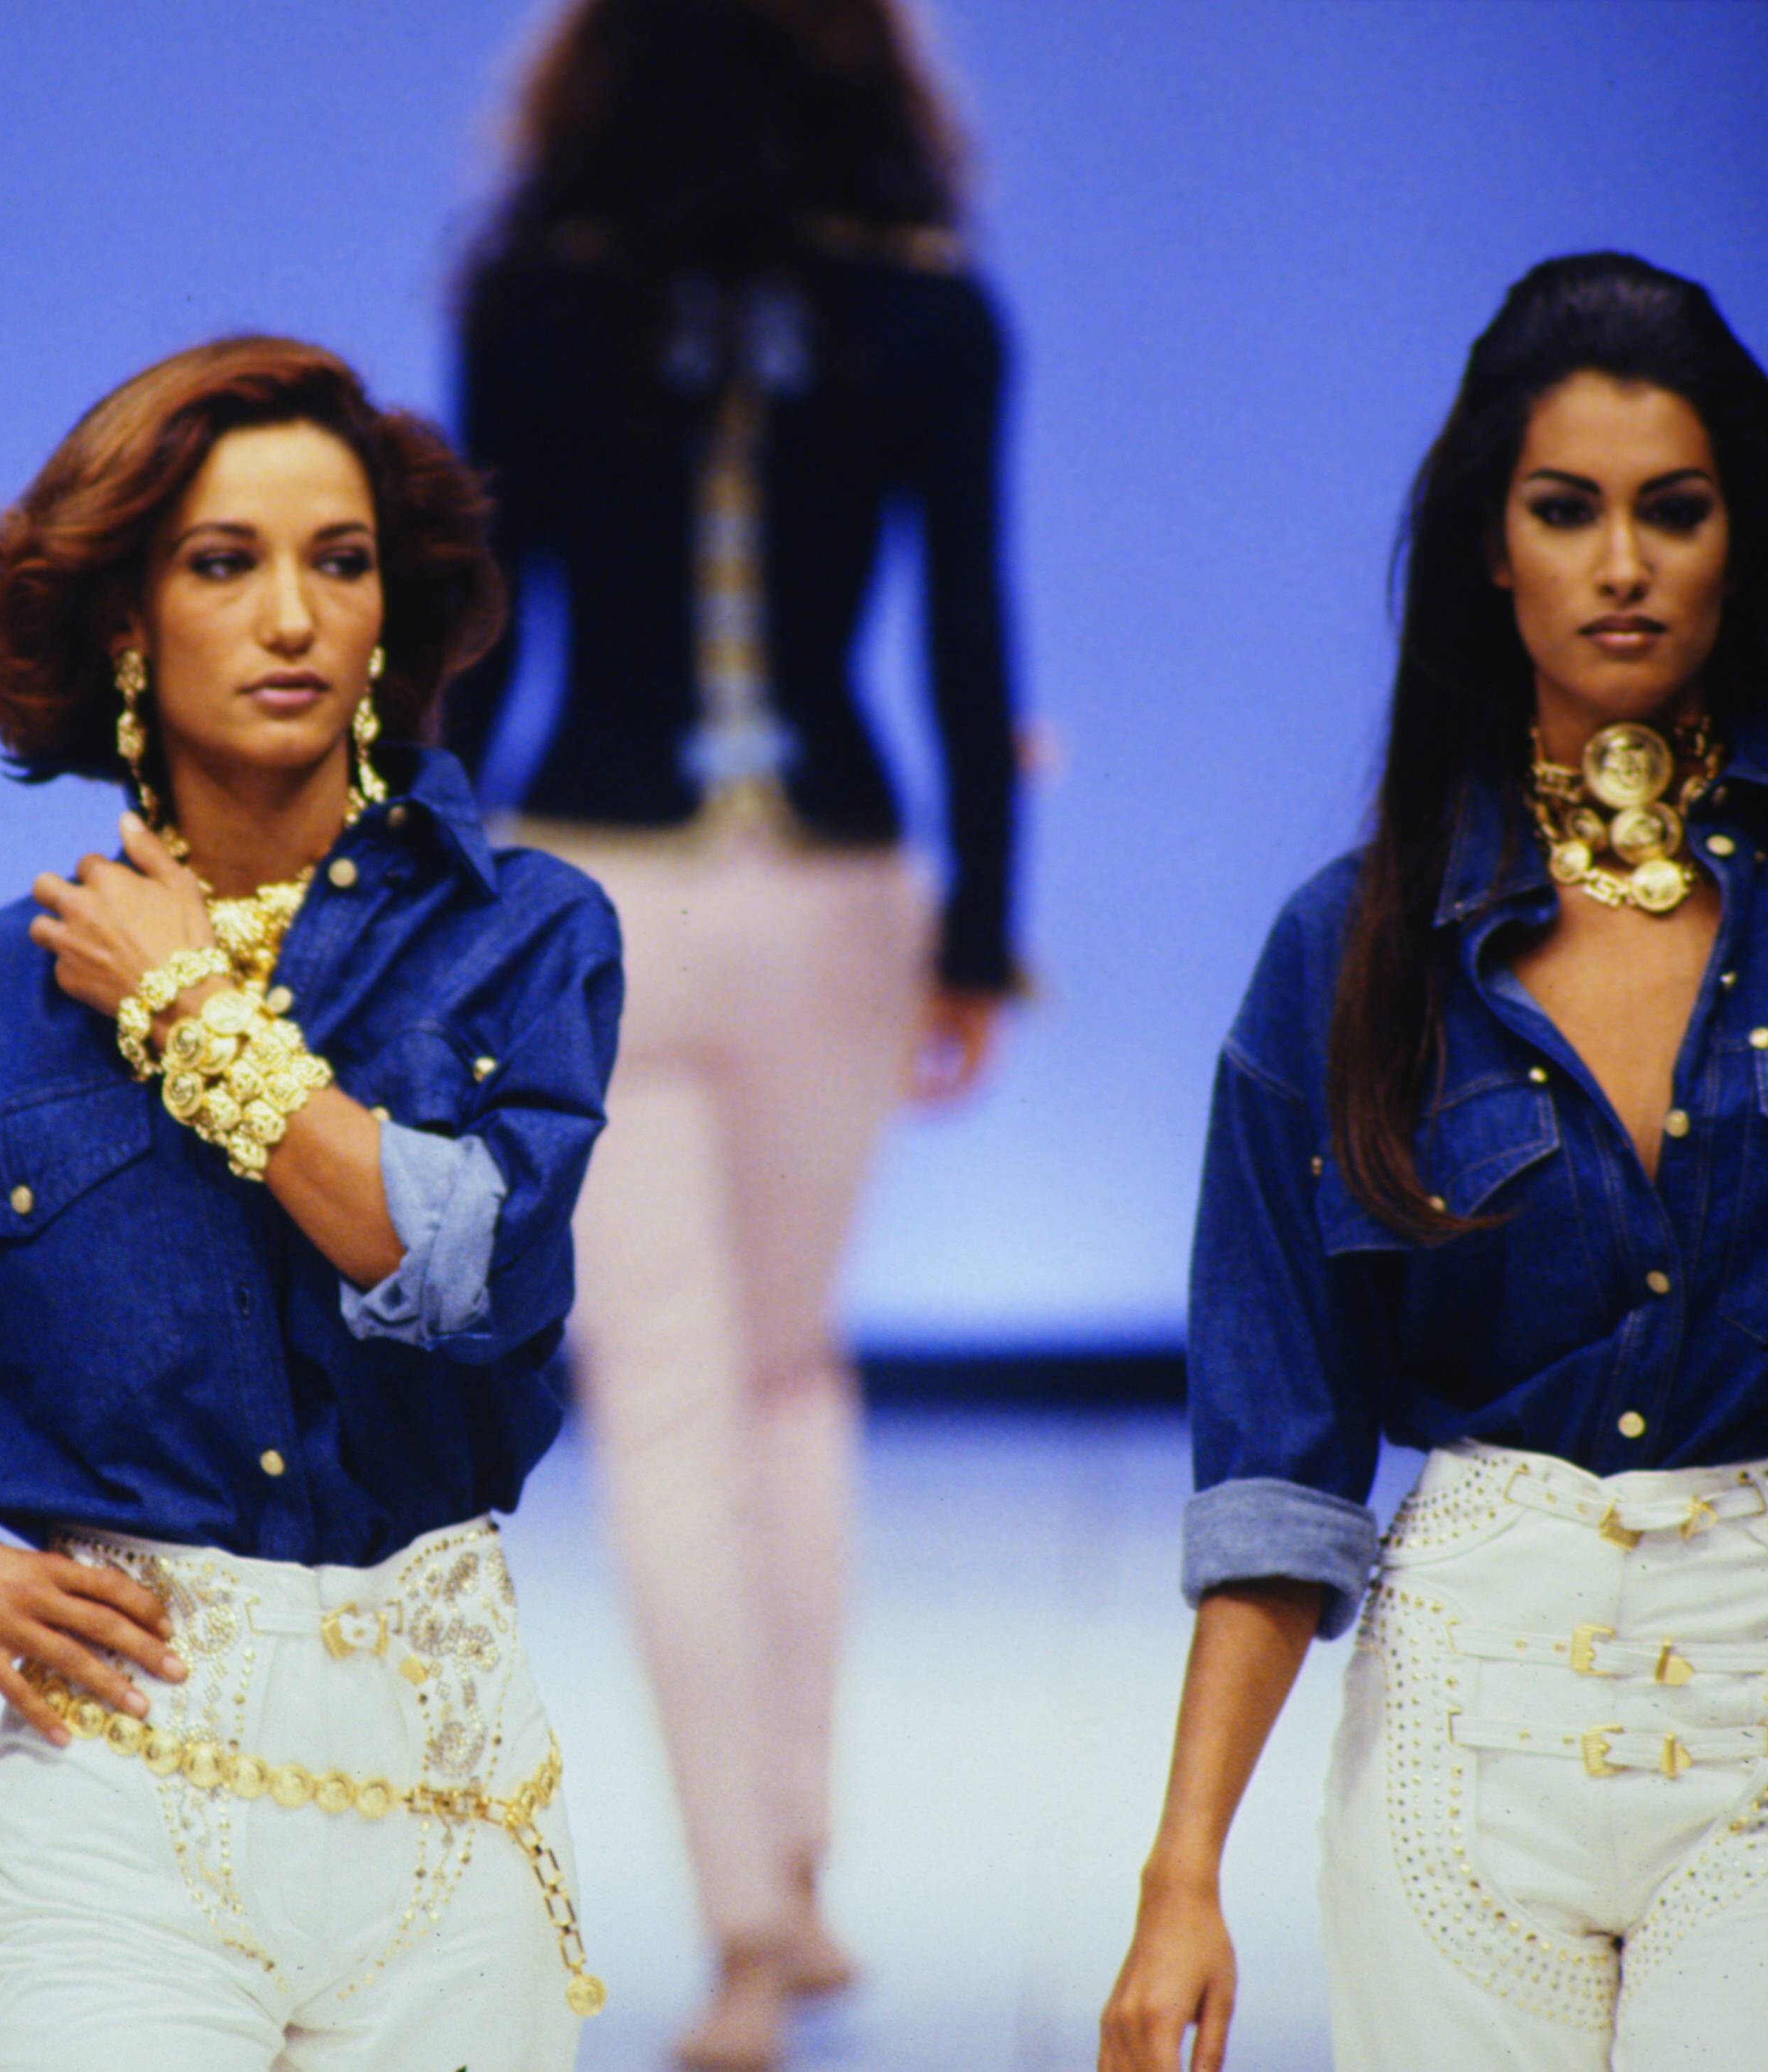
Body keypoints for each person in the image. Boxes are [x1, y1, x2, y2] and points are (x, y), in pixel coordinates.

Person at [0, 335, 624, 2071]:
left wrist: (189, 1012)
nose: (293, 618)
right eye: (223, 564)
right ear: (125, 621)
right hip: (122, 1793)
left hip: (449, 1785)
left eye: (340, 562)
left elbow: (449, 1266)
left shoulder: (521, 936)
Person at [1102, 252, 1768, 2072]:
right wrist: (1181, 1873)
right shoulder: (1351, 953)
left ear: (1740, 537)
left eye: (1674, 509)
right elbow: (1276, 1455)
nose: (1621, 564)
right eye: (1566, 510)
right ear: (1492, 543)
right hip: (1465, 1736)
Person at [450, 2, 1023, 2061]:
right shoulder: (927, 312)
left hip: (589, 882)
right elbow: (967, 640)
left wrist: (421, 906)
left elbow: (478, 639)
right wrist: (987, 934)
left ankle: (746, 1926)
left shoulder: (532, 293)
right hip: (831, 888)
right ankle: (795, 1868)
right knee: (786, 1374)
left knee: (672, 1401)